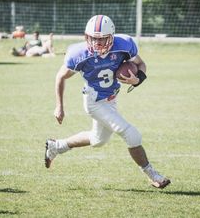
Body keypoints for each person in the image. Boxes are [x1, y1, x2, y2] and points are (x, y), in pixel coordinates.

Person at [44, 15, 171, 189]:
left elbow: (141, 64)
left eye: (102, 39)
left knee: (98, 140)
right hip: (94, 101)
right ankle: (153, 175)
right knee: (131, 134)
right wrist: (59, 106)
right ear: (86, 37)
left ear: (111, 37)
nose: (97, 43)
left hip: (111, 99)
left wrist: (137, 80)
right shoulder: (79, 54)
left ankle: (56, 146)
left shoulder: (124, 45)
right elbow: (60, 76)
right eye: (93, 39)